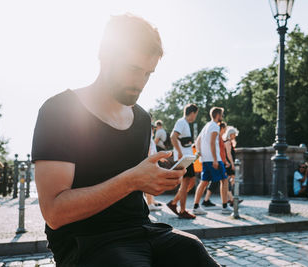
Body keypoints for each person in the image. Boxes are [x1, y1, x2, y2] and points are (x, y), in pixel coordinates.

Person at [32, 14, 219, 266]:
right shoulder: (60, 110)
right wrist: (132, 180)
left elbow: (133, 183)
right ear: (106, 56)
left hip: (142, 229)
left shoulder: (142, 118)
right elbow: (54, 212)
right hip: (86, 240)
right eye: (132, 69)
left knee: (194, 250)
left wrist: (155, 179)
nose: (140, 82)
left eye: (148, 73)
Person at [193, 107, 232, 215]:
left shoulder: (207, 126)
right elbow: (212, 143)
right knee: (224, 180)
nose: (222, 117)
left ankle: (196, 206)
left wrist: (200, 153)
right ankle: (225, 206)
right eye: (222, 115)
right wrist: (215, 159)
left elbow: (197, 141)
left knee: (204, 182)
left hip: (205, 159)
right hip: (214, 159)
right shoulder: (215, 126)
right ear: (218, 115)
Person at [166, 104, 199, 219]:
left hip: (188, 156)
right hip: (184, 157)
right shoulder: (181, 122)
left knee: (191, 182)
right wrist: (179, 152)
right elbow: (173, 137)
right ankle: (182, 210)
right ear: (193, 113)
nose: (196, 116)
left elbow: (182, 141)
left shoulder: (185, 124)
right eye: (196, 114)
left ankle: (174, 203)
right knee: (185, 184)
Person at [201, 122, 227, 208]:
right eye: (224, 129)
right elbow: (218, 149)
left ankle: (198, 204)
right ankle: (225, 205)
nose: (225, 131)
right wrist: (217, 160)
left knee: (206, 181)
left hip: (209, 159)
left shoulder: (208, 129)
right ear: (221, 128)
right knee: (224, 180)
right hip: (216, 159)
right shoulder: (216, 135)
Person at [223, 126, 243, 207]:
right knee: (228, 180)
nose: (235, 136)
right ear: (230, 134)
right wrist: (232, 164)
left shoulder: (230, 142)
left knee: (231, 179)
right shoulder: (227, 142)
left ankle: (230, 198)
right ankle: (231, 199)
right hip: (228, 163)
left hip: (229, 163)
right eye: (234, 134)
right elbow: (228, 154)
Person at [146, 123, 162, 212]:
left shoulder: (150, 139)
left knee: (151, 184)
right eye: (152, 129)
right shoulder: (148, 138)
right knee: (149, 184)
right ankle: (150, 204)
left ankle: (152, 202)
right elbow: (149, 152)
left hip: (152, 163)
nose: (154, 131)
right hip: (150, 164)